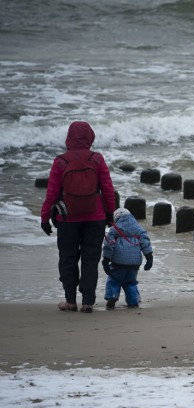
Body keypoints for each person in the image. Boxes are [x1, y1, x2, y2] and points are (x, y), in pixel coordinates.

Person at [40, 121, 116, 313]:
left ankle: (70, 301)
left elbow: (52, 193)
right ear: (90, 137)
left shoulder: (60, 161)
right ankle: (88, 302)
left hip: (67, 218)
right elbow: (108, 189)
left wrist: (44, 218)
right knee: (90, 258)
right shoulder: (97, 159)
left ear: (69, 138)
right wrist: (109, 214)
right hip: (95, 217)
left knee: (68, 257)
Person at [102, 208, 153, 309]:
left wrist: (106, 260)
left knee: (114, 280)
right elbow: (145, 243)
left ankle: (112, 296)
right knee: (131, 282)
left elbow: (109, 245)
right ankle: (133, 301)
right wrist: (149, 257)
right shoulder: (139, 229)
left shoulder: (114, 229)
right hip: (134, 264)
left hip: (118, 262)